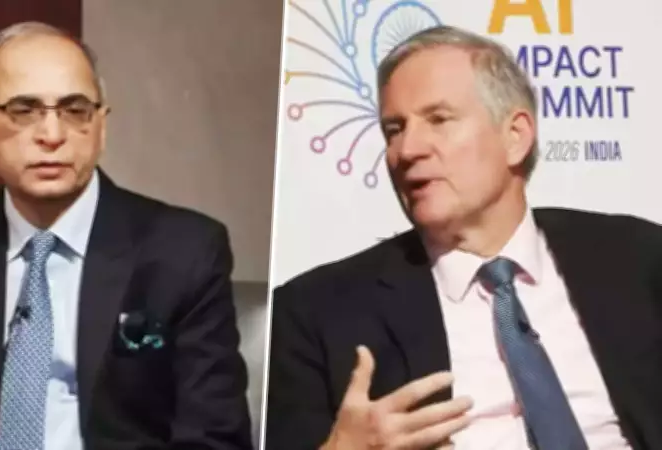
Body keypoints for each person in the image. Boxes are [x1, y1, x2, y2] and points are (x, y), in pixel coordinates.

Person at [265, 25, 662, 450]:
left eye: (438, 119)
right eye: (394, 129)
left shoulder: (639, 259)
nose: (407, 150)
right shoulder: (316, 311)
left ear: (515, 137)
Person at [0, 22, 253, 450]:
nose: (52, 135)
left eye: (75, 110)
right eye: (23, 110)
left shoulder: (183, 252)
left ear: (101, 126)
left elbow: (213, 436)